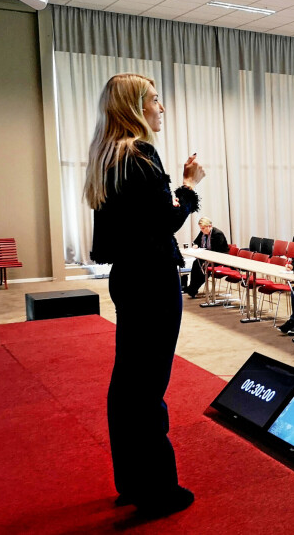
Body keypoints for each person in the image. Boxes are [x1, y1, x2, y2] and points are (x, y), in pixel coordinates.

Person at [85, 73, 204, 515]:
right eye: (155, 100)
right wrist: (190, 185)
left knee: (128, 384)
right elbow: (165, 222)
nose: (162, 108)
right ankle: (156, 491)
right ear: (135, 106)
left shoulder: (107, 155)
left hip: (128, 276)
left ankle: (133, 480)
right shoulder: (140, 154)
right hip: (152, 279)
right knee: (147, 387)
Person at [183, 217, 228, 298]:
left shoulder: (217, 234)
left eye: (203, 228)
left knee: (203, 267)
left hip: (219, 258)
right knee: (196, 263)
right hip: (207, 257)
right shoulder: (203, 233)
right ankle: (192, 287)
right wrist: (195, 245)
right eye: (201, 228)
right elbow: (196, 242)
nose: (202, 230)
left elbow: (217, 250)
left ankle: (193, 289)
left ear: (209, 226)